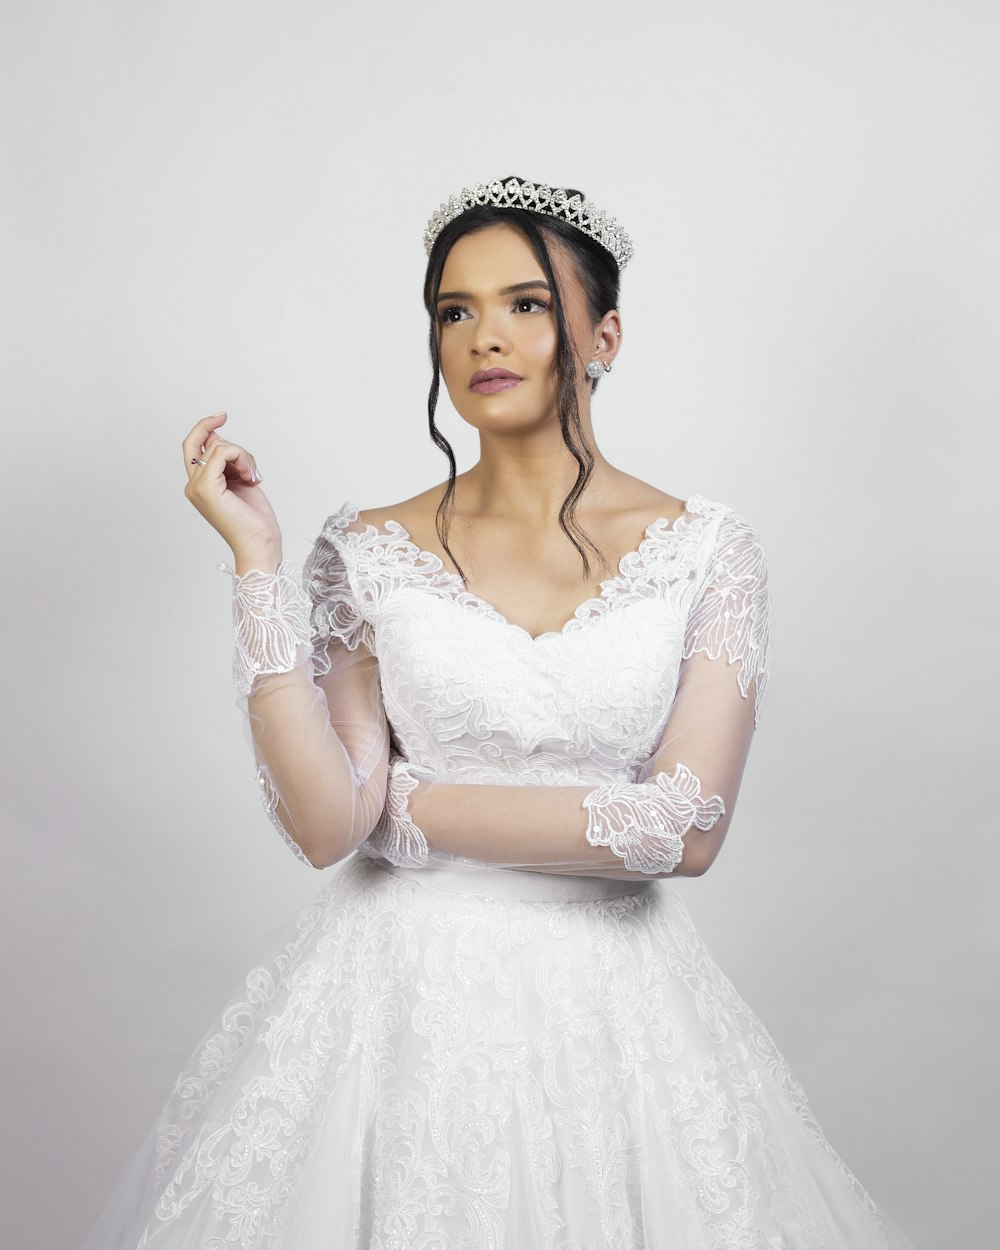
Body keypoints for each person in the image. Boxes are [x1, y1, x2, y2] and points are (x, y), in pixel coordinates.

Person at [80, 176, 915, 1248]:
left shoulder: (710, 548)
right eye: (454, 309)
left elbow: (686, 827)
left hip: (617, 1016)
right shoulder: (362, 547)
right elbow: (329, 823)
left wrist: (415, 807)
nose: (485, 335)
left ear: (602, 333)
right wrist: (259, 566)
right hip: (394, 1019)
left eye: (525, 303)